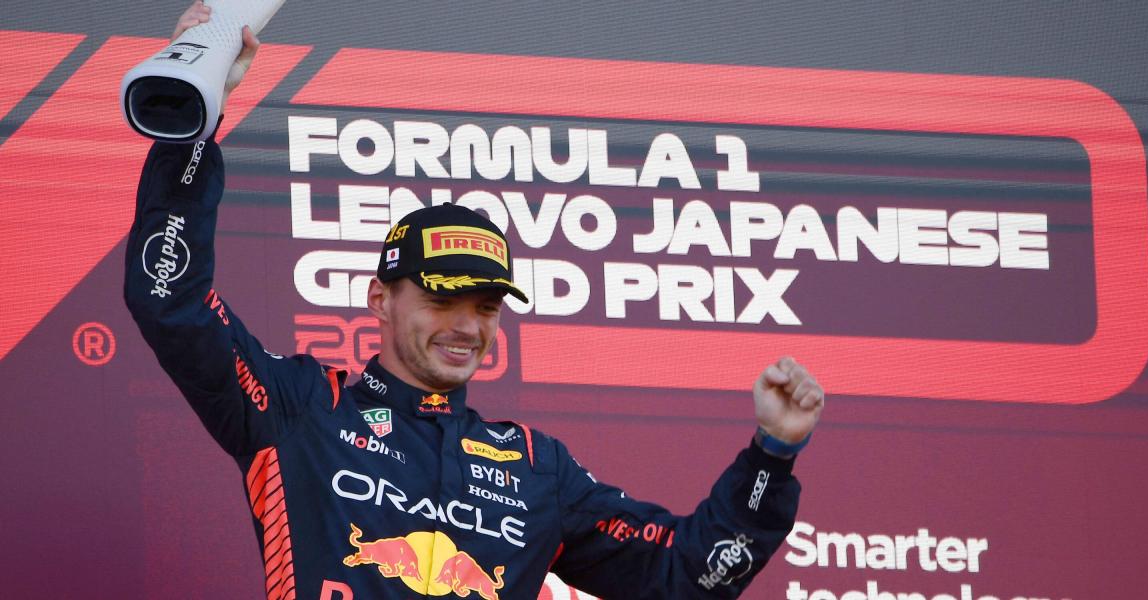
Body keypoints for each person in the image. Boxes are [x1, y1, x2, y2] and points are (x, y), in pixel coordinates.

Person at [125, 3, 825, 598]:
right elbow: (171, 302)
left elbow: (686, 575)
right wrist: (191, 131)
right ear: (380, 299)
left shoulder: (534, 468)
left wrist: (772, 454)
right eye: (442, 299)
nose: (466, 326)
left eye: (486, 307)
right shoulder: (300, 407)